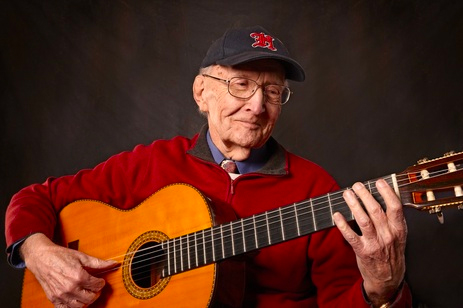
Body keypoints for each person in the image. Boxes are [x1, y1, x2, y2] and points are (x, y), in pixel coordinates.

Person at [5, 25, 411, 307]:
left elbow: (342, 300)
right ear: (202, 92)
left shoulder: (316, 189)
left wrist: (383, 290)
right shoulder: (152, 162)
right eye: (241, 85)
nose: (257, 105)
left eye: (273, 91)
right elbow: (35, 198)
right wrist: (37, 250)